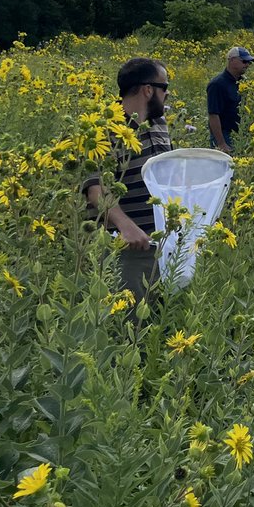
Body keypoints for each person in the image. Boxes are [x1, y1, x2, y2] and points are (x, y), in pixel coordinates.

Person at [84, 57, 174, 316]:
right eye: (164, 87)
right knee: (128, 326)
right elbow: (95, 189)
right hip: (127, 248)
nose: (167, 94)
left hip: (162, 246)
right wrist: (126, 227)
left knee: (158, 324)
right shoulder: (103, 127)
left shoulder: (159, 123)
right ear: (148, 90)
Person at [206, 46, 254, 154]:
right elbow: (213, 115)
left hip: (241, 135)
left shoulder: (243, 83)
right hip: (225, 135)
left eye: (249, 62)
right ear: (232, 60)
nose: (247, 65)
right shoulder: (217, 84)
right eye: (244, 61)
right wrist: (221, 143)